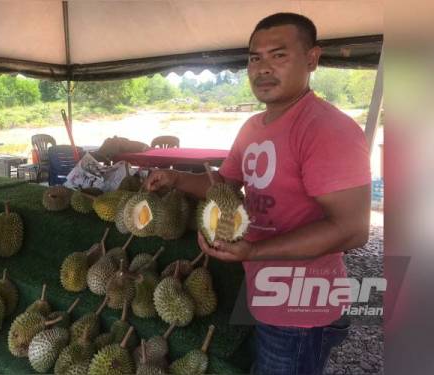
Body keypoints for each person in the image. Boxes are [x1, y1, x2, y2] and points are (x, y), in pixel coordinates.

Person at [144, 13, 371, 375]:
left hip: (302, 306)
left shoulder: (327, 130)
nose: (263, 68)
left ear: (312, 59)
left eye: (278, 55)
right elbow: (224, 187)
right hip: (264, 292)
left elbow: (352, 229)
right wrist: (174, 178)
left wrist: (255, 251)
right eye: (255, 58)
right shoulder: (253, 128)